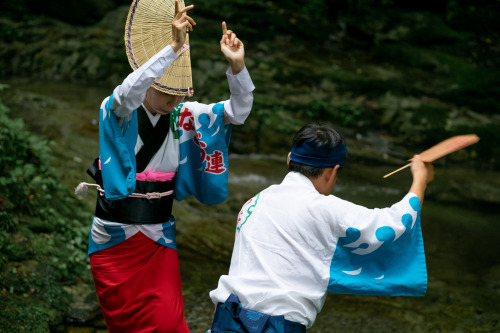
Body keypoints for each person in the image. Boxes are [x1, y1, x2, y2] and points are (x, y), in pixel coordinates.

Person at [76, 0, 255, 331]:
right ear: (148, 83)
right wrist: (172, 48)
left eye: (179, 93)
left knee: (171, 325)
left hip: (159, 239)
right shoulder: (118, 110)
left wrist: (237, 67)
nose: (174, 100)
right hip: (114, 239)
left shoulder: (185, 116)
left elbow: (238, 112)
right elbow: (127, 92)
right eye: (165, 91)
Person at [208, 122, 434, 333]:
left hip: (226, 318)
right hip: (277, 325)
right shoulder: (324, 209)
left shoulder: (255, 202)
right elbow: (394, 224)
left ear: (289, 160)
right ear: (332, 172)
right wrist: (420, 180)